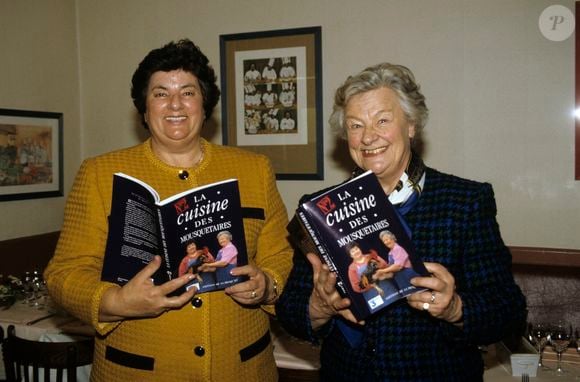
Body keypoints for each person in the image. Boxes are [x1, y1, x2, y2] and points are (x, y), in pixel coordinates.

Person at [44, 39, 293, 381]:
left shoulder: (254, 169)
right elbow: (63, 274)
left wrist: (267, 284)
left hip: (243, 368)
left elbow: (282, 255)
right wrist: (116, 301)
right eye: (160, 93)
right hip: (137, 371)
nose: (175, 104)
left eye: (188, 92)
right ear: (144, 109)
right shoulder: (99, 174)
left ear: (205, 105)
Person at [276, 62, 527, 381]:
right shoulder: (321, 209)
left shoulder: (464, 201)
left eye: (382, 120)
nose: (368, 137)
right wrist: (317, 308)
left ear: (411, 124)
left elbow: (508, 310)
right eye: (355, 125)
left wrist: (456, 309)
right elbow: (290, 310)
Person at [346, 242, 398, 307]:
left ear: (360, 249)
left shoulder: (372, 257)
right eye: (352, 251)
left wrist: (383, 274)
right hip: (372, 296)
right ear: (350, 255)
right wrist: (370, 283)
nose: (356, 252)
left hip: (388, 289)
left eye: (356, 249)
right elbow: (356, 287)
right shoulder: (352, 268)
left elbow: (387, 267)